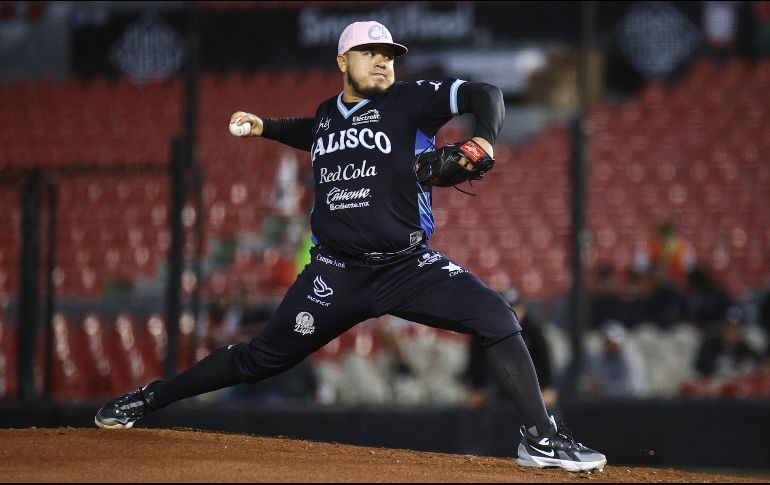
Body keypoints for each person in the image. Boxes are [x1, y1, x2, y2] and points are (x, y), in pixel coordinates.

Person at [94, 21, 605, 472]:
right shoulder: (326, 115)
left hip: (408, 268)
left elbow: (484, 93)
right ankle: (147, 399)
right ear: (343, 60)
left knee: (497, 318)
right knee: (258, 360)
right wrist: (266, 127)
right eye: (372, 53)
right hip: (335, 276)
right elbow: (314, 130)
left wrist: (485, 140)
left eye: (390, 55)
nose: (385, 62)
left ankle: (540, 439)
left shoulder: (411, 100)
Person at [579, 320, 649, 398]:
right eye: (608, 342)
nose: (611, 346)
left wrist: (604, 388)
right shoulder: (597, 358)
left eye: (614, 343)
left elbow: (634, 388)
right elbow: (589, 382)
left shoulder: (632, 359)